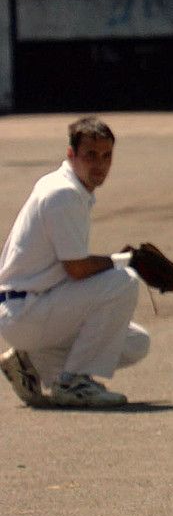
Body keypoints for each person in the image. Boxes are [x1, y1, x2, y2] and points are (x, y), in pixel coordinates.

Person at [0, 117, 150, 408]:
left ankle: (27, 360)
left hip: (33, 310)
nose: (100, 164)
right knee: (123, 283)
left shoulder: (67, 186)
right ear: (71, 155)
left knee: (135, 343)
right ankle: (73, 383)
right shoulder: (64, 194)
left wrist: (124, 260)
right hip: (25, 310)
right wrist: (128, 262)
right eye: (90, 155)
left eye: (106, 156)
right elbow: (77, 269)